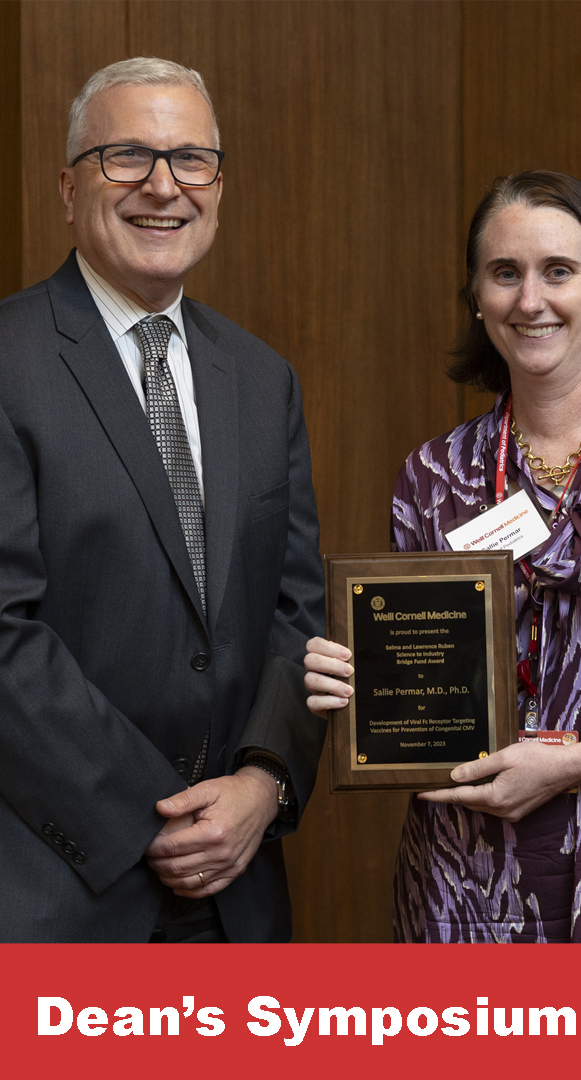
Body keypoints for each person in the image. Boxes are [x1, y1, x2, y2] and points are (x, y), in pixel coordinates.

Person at [304, 171, 581, 942]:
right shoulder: (435, 478)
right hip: (464, 893)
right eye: (504, 274)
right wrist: (352, 677)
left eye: (558, 270)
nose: (530, 300)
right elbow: (417, 688)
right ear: (477, 298)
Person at [0, 57, 324, 942]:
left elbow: (298, 614)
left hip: (236, 897)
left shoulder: (263, 381)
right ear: (69, 188)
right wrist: (155, 821)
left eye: (191, 160)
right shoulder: (9, 360)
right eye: (127, 156)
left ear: (218, 185)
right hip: (57, 890)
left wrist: (263, 782)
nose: (162, 186)